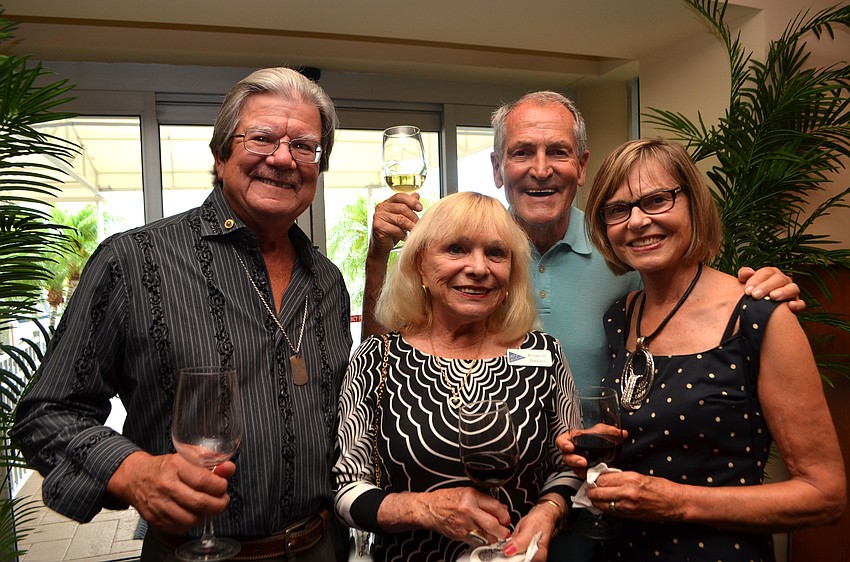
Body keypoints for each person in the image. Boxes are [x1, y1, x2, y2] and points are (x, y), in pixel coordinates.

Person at [360, 90, 804, 560]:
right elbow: (385, 365)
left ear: (582, 164)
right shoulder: (475, 258)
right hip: (479, 502)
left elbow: (695, 298)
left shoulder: (626, 248)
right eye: (522, 152)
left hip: (607, 505)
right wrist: (375, 260)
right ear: (497, 167)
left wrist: (762, 288)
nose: (541, 168)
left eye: (558, 151)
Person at [11, 67, 352, 561]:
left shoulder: (327, 280)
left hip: (322, 547)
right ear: (220, 154)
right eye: (261, 138)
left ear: (319, 166)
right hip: (195, 554)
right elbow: (45, 413)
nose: (283, 159)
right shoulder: (132, 261)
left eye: (304, 146)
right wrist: (132, 472)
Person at [557, 137, 845, 561]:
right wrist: (605, 440)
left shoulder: (760, 318)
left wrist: (676, 501)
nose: (637, 221)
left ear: (693, 203)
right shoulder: (621, 314)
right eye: (617, 209)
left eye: (657, 200)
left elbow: (825, 495)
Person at [334, 191, 580, 562]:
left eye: (496, 253)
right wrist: (425, 508)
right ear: (420, 266)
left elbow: (568, 467)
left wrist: (549, 511)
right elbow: (345, 489)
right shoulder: (376, 358)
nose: (479, 268)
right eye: (456, 249)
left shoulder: (545, 353)